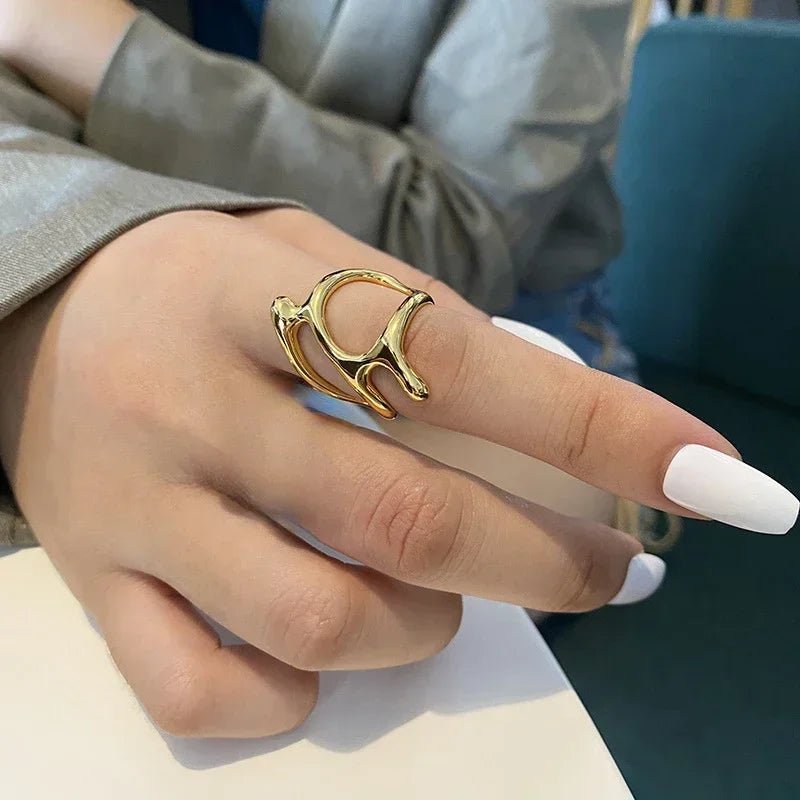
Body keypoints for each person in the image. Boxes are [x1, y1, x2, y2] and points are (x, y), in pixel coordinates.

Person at [0, 0, 796, 739]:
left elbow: (452, 235)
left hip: (502, 348)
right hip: (149, 358)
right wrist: (51, 283)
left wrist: (101, 53)